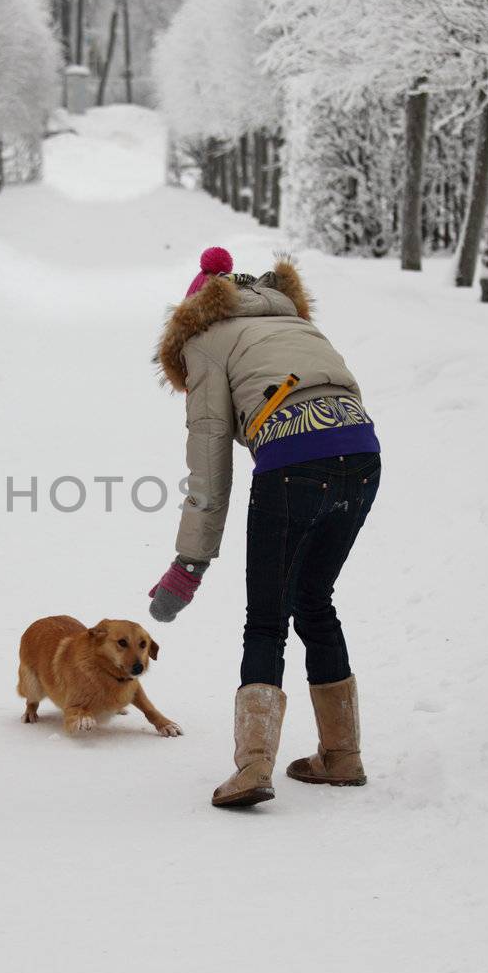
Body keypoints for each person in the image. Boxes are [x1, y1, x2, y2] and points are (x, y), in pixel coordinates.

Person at [147, 247, 381, 809]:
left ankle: (252, 768)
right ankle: (342, 756)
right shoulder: (293, 320)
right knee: (316, 600)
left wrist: (189, 565)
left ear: (196, 308)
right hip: (362, 453)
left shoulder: (205, 340)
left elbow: (209, 465)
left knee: (267, 617)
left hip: (295, 463)